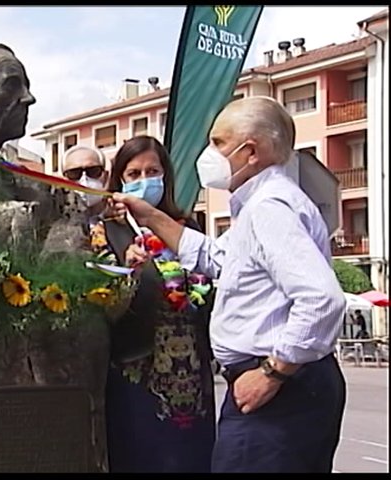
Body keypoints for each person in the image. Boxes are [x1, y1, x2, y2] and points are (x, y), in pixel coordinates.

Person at [113, 97, 347, 473]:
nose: (210, 154)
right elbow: (217, 258)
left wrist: (271, 373)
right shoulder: (261, 206)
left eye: (219, 143)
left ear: (250, 152)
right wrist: (152, 216)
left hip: (277, 392)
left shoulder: (270, 209)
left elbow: (322, 300)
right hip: (286, 387)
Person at [82, 136, 216, 472]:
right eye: (134, 173)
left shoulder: (186, 229)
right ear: (120, 180)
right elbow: (102, 304)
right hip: (137, 372)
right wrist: (129, 269)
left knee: (193, 459)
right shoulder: (104, 232)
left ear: (166, 177)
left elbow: (210, 289)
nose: (144, 180)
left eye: (152, 171)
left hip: (192, 372)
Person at [60, 145, 110, 212]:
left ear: (106, 177)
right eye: (74, 173)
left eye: (93, 171)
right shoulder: (52, 220)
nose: (84, 179)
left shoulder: (125, 216)